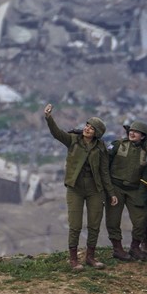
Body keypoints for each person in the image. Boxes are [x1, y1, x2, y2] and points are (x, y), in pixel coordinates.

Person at [44, 103, 118, 270]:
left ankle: (90, 257)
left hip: (95, 190)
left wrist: (111, 193)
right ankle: (73, 259)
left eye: (92, 128)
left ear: (97, 133)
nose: (87, 129)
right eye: (87, 126)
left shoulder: (100, 148)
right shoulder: (73, 140)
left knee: (94, 224)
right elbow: (57, 133)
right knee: (75, 224)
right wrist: (49, 118)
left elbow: (104, 172)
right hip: (75, 188)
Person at [106, 120, 147, 260]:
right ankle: (117, 248)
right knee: (113, 219)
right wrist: (108, 189)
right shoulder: (118, 145)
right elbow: (105, 164)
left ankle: (135, 247)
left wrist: (141, 193)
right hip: (116, 187)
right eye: (131, 131)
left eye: (136, 132)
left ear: (143, 136)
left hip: (135, 189)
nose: (132, 133)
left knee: (142, 219)